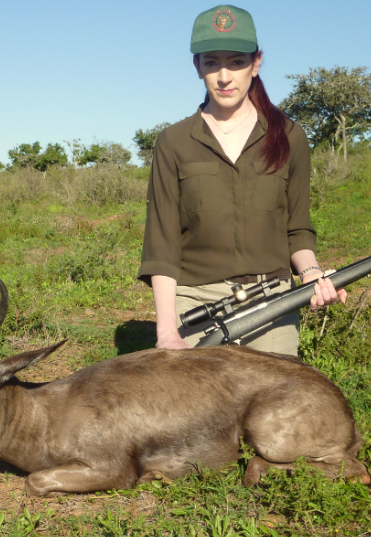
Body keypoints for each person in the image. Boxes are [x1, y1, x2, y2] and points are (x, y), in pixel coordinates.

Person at [137, 4, 345, 355]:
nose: (224, 76)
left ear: (256, 63)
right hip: (195, 304)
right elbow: (162, 243)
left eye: (236, 62)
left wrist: (311, 273)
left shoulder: (290, 136)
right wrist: (167, 330)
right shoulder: (173, 142)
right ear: (197, 67)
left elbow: (297, 229)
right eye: (211, 63)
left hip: (272, 302)